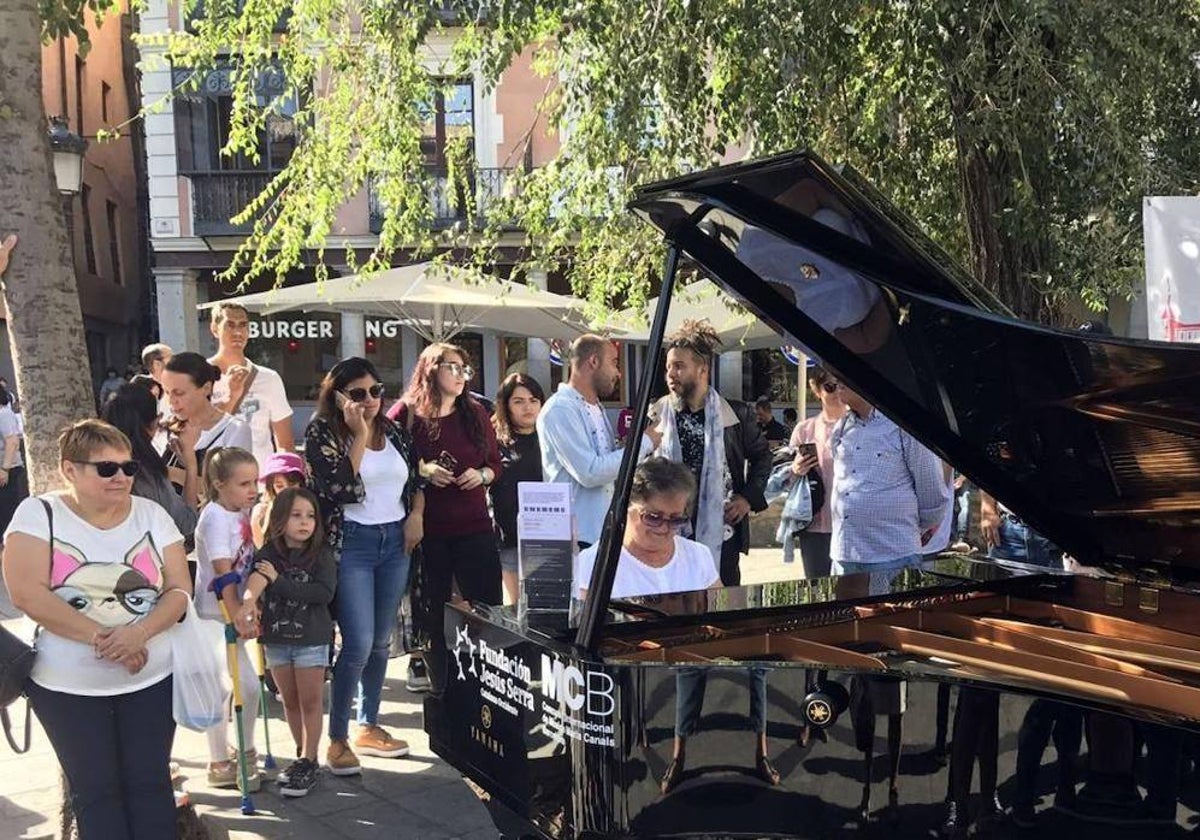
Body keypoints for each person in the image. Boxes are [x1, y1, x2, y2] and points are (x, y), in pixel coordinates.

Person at [2, 419, 190, 838]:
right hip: (67, 685)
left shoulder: (152, 514)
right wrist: (105, 638)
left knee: (151, 785)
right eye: (106, 468)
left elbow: (179, 589)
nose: (121, 477)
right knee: (95, 793)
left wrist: (138, 634)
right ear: (70, 470)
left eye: (128, 467)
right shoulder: (38, 513)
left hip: (151, 677)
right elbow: (26, 594)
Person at [576, 459, 775, 790]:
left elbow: (725, 617)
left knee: (758, 666)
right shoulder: (596, 563)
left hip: (694, 661)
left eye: (676, 519)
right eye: (653, 517)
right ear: (626, 507)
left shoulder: (696, 554)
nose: (664, 528)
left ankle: (758, 753)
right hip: (629, 679)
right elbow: (587, 640)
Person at [307, 357, 424, 774]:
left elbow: (415, 479)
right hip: (351, 542)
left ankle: (368, 724)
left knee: (379, 642)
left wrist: (416, 515)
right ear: (337, 396)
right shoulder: (323, 431)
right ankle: (337, 738)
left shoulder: (393, 429)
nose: (371, 400)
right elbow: (339, 487)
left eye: (376, 391)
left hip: (394, 539)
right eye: (358, 394)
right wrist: (357, 434)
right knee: (356, 643)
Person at [390, 343, 502, 697]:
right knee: (433, 616)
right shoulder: (405, 414)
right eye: (451, 367)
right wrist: (421, 470)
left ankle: (491, 689)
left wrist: (482, 475)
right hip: (428, 531)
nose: (459, 375)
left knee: (487, 610)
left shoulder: (476, 412)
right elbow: (387, 464)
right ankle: (445, 692)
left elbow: (496, 465)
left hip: (474, 526)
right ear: (430, 369)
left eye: (464, 368)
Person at [651, 320, 772, 586]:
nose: (671, 374)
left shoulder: (736, 414)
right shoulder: (657, 414)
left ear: (702, 369)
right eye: (668, 367)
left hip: (722, 528)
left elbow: (763, 457)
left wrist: (747, 498)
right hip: (669, 528)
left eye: (679, 366)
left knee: (722, 604)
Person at [237, 487, 336, 798]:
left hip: (311, 639)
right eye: (296, 515)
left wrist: (280, 582)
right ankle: (300, 755)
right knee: (289, 700)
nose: (304, 522)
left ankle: (310, 758)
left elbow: (323, 593)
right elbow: (257, 579)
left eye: (310, 516)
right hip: (277, 640)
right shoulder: (268, 554)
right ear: (279, 519)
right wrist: (249, 602)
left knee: (311, 701)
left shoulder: (321, 554)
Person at [538, 335, 661, 548]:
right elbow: (590, 472)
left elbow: (606, 467)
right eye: (614, 362)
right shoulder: (560, 409)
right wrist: (644, 443)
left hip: (602, 530)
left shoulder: (595, 406)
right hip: (577, 537)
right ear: (593, 362)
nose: (619, 373)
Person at [194, 446, 262, 790]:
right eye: (243, 483)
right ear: (220, 484)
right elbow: (224, 572)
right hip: (213, 614)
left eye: (254, 482)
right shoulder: (215, 516)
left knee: (245, 686)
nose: (252, 490)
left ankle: (242, 749)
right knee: (227, 687)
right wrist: (239, 613)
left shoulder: (245, 512)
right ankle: (223, 758)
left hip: (236, 610)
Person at [829, 383, 949, 580]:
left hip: (893, 554)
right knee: (848, 612)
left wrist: (910, 528)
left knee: (892, 611)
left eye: (844, 377)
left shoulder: (905, 425)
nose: (838, 383)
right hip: (845, 554)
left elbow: (932, 492)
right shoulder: (842, 427)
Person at [101, 383, 199, 540]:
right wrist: (191, 465)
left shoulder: (91, 466)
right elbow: (185, 524)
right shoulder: (146, 472)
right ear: (154, 422)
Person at [207, 302, 295, 468]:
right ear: (214, 329)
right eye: (230, 325)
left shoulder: (269, 378)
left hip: (260, 483)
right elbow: (198, 431)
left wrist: (287, 480)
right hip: (215, 479)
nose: (238, 332)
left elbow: (285, 442)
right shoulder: (199, 376)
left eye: (243, 325)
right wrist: (231, 397)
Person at [489, 373, 546, 605]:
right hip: (509, 534)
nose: (527, 407)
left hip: (547, 534)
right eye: (519, 401)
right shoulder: (494, 441)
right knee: (513, 607)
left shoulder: (551, 438)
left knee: (543, 606)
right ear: (506, 405)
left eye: (533, 400)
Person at [787, 365, 846, 578]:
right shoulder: (805, 430)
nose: (838, 393)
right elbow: (784, 480)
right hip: (815, 525)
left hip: (852, 526)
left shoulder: (859, 426)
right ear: (817, 389)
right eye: (831, 387)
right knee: (817, 590)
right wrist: (795, 469)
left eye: (842, 386)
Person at [161, 352, 253, 482]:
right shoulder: (165, 429)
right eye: (166, 392)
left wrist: (175, 475)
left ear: (206, 388)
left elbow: (233, 491)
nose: (171, 400)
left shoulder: (234, 430)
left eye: (179, 393)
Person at [251, 451, 306, 548]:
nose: (287, 490)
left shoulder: (309, 509)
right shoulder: (260, 513)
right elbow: (260, 548)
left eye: (292, 484)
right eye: (279, 486)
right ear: (271, 487)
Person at [0, 385, 28, 538]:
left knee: (7, 511)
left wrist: (5, 469)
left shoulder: (4, 414)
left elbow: (12, 441)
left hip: (7, 469)